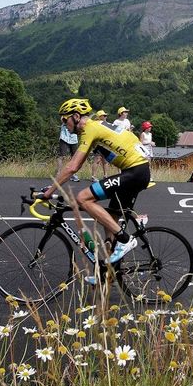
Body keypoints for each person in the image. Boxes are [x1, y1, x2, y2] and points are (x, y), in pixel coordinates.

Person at [41, 99, 151, 284]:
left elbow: (72, 167)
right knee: (109, 222)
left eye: (64, 119)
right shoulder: (96, 127)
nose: (64, 124)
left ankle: (125, 239)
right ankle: (107, 274)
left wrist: (49, 190)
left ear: (76, 116)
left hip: (135, 172)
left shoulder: (89, 129)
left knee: (83, 198)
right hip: (136, 171)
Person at [90, 110, 110, 182]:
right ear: (100, 117)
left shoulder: (107, 124)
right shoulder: (96, 124)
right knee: (97, 160)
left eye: (106, 115)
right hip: (98, 144)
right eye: (104, 116)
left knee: (106, 161)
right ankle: (93, 176)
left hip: (106, 144)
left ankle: (106, 175)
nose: (106, 117)